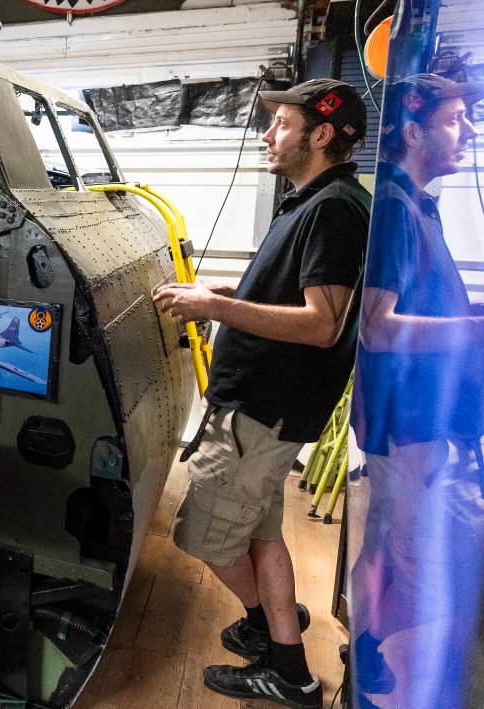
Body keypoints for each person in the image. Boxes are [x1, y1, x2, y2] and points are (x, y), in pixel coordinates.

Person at [154, 78, 371, 707]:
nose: (268, 134)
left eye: (282, 123)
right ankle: (278, 639)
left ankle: (286, 665)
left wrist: (205, 305)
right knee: (262, 534)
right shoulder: (315, 201)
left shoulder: (332, 209)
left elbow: (322, 324)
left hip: (262, 414)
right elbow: (294, 299)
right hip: (261, 411)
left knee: (203, 537)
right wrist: (223, 298)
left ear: (322, 134)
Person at [349, 73, 484, 709]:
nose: (469, 130)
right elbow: (378, 327)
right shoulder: (396, 209)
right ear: (411, 131)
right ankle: (371, 665)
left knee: (391, 547)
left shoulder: (416, 204)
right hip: (409, 426)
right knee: (410, 558)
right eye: (456, 118)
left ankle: (366, 649)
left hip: (418, 423)